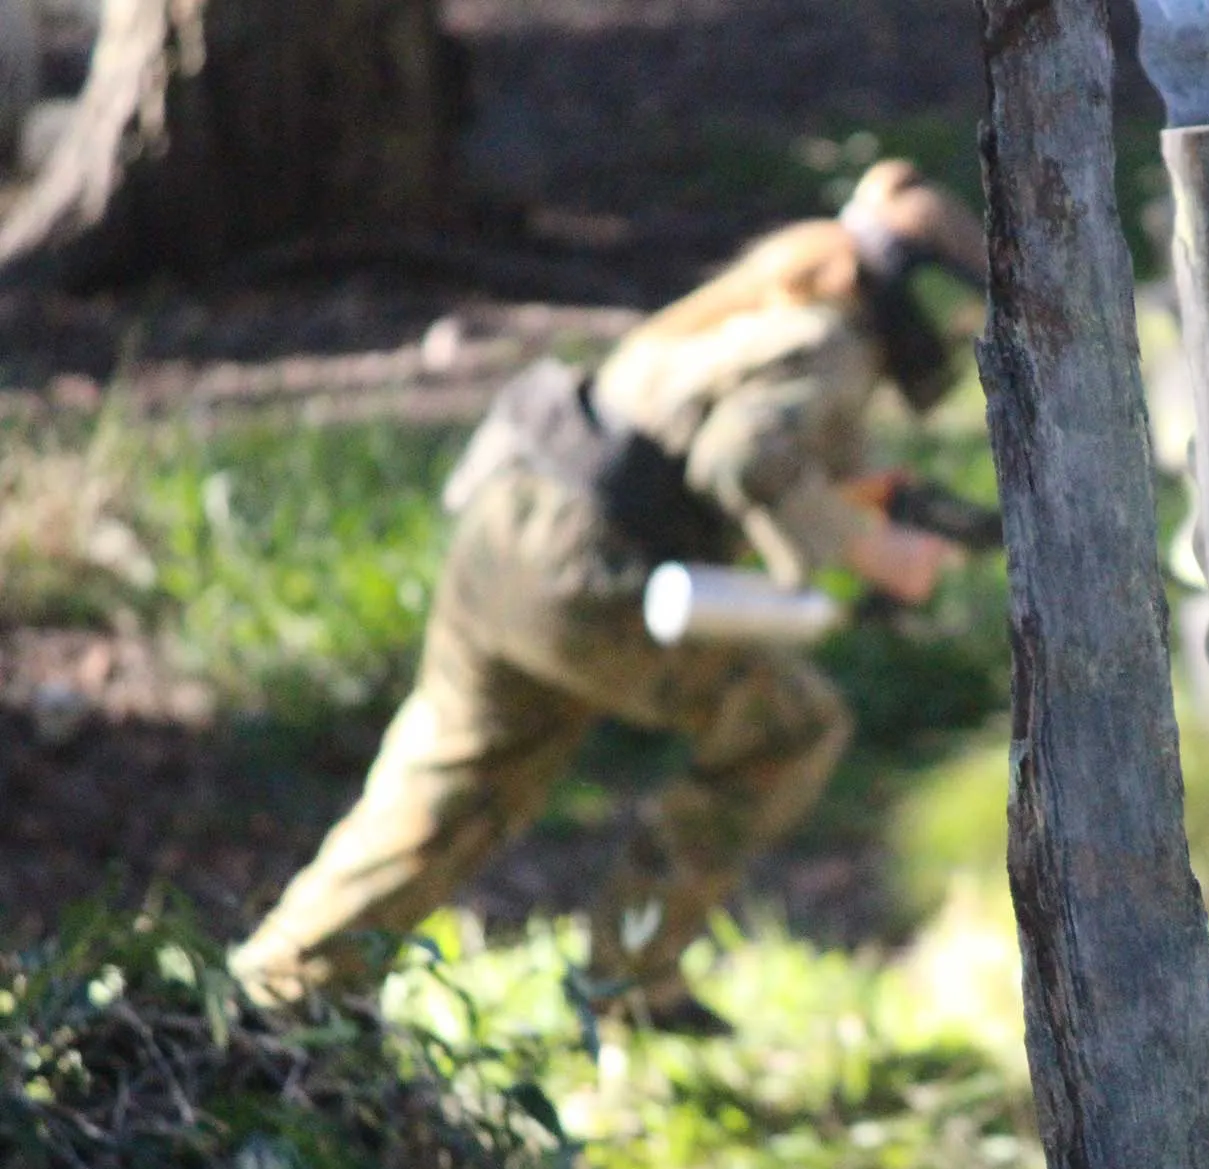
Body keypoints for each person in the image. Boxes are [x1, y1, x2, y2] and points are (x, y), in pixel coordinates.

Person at [230, 159, 986, 1033]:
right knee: (794, 727)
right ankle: (627, 980)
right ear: (904, 290)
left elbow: (698, 450)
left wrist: (855, 509)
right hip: (588, 573)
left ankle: (282, 988)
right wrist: (871, 548)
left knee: (447, 784)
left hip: (505, 539)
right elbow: (742, 461)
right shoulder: (832, 345)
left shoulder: (752, 310)